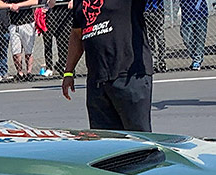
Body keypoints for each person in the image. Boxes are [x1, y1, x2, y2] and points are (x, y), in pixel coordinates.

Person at [61, 0, 154, 132]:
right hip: (97, 81)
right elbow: (77, 35)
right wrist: (68, 72)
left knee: (139, 140)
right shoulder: (79, 2)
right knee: (106, 141)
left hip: (128, 76)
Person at [4, 0, 39, 80]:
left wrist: (19, 5)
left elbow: (35, 1)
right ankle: (20, 72)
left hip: (27, 24)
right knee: (16, 52)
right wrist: (10, 6)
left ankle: (29, 72)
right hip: (14, 25)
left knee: (28, 52)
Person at [43, 0, 73, 75]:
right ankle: (49, 66)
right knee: (48, 39)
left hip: (65, 8)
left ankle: (62, 64)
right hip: (51, 10)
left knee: (64, 39)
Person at [180, 0, 209, 69]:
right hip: (187, 14)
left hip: (200, 13)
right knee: (186, 37)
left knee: (200, 38)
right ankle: (195, 56)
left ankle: (197, 59)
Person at [144, 0, 167, 72]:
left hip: (157, 11)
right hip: (146, 11)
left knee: (160, 38)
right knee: (149, 38)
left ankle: (162, 61)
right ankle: (153, 62)